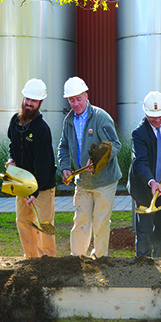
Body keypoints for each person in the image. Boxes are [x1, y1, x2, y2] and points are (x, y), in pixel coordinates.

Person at [58, 76, 121, 258]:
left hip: (105, 180)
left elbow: (115, 145)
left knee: (101, 222)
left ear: (86, 95)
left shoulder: (101, 118)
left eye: (79, 98)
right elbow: (63, 146)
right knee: (80, 221)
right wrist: (64, 168)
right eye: (71, 100)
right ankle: (77, 260)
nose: (75, 103)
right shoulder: (68, 121)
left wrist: (97, 160)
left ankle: (100, 259)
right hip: (83, 181)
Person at [128, 91, 161, 257]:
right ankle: (143, 265)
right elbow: (140, 162)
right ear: (145, 113)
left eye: (160, 116)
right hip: (145, 185)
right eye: (153, 117)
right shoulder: (139, 133)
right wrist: (152, 182)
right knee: (144, 228)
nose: (158, 120)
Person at [7, 78, 57, 258]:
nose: (29, 103)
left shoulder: (42, 129)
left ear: (40, 103)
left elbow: (43, 164)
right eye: (27, 99)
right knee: (23, 222)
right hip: (22, 183)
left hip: (42, 186)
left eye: (33, 101)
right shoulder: (15, 120)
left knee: (44, 224)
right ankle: (31, 259)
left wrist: (34, 192)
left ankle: (48, 262)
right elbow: (12, 144)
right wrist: (12, 159)